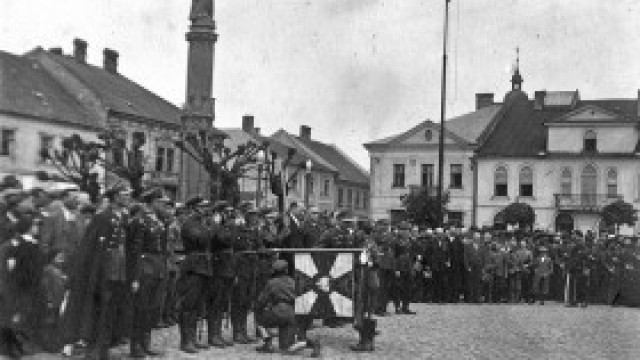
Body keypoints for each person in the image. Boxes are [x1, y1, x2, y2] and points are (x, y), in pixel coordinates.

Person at [63, 186, 133, 360]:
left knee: (111, 309)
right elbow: (89, 247)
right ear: (116, 197)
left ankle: (104, 346)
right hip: (103, 270)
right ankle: (95, 347)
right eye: (125, 195)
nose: (128, 198)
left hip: (119, 270)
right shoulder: (102, 217)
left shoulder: (124, 216)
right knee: (98, 309)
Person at [127, 188, 170, 357]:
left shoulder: (158, 221)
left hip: (157, 268)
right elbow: (135, 251)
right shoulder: (139, 221)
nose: (164, 205)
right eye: (161, 202)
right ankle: (135, 345)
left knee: (152, 308)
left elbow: (163, 249)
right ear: (152, 202)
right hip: (144, 269)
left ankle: (145, 343)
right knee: (140, 308)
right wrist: (135, 277)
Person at [254, 259, 320, 357]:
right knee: (287, 348)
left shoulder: (271, 283)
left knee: (259, 320)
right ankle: (311, 343)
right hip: (292, 314)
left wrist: (257, 309)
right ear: (286, 270)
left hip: (277, 311)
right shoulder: (293, 282)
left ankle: (267, 344)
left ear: (274, 271)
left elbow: (262, 301)